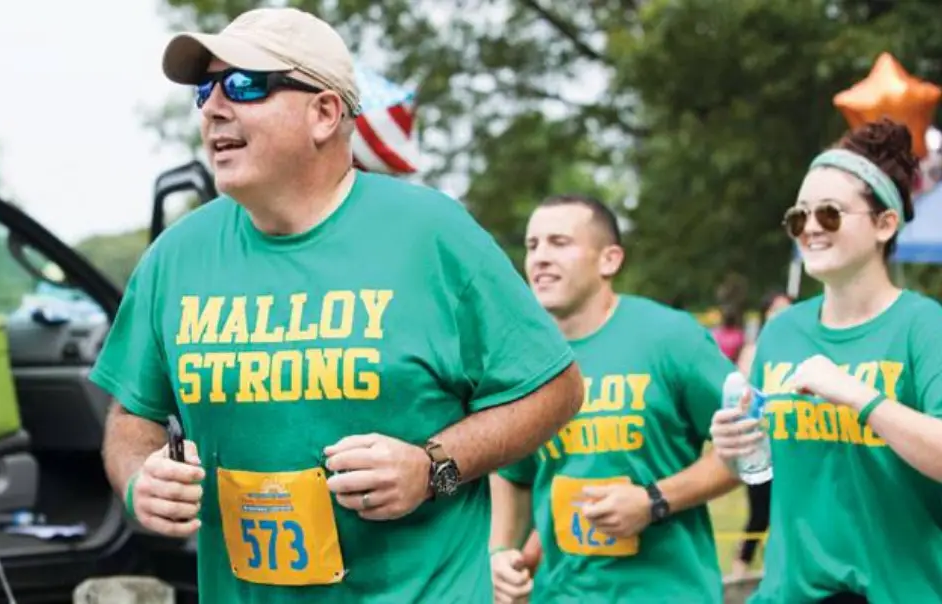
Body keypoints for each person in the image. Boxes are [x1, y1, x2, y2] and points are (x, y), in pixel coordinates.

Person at [90, 8, 584, 604]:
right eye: (205, 88)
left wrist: (432, 468)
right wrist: (141, 478)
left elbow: (555, 390)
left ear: (324, 113)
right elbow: (129, 417)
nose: (213, 106)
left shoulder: (432, 235)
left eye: (245, 84)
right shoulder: (177, 256)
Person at [711, 118, 942, 603]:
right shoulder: (781, 333)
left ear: (884, 224)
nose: (810, 227)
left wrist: (857, 394)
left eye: (831, 214)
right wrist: (735, 446)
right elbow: (768, 465)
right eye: (799, 217)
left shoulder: (923, 326)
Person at [488, 194, 741, 604]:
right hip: (560, 594)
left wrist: (653, 500)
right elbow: (513, 476)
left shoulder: (671, 338)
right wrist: (500, 551)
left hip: (668, 593)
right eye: (533, 245)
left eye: (560, 242)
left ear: (609, 260)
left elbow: (750, 448)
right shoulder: (521, 361)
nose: (541, 258)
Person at [729, 291, 791, 578]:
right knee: (759, 514)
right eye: (775, 310)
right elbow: (743, 394)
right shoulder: (754, 350)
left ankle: (773, 572)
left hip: (791, 445)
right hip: (759, 444)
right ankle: (738, 573)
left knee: (785, 514)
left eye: (787, 309)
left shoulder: (801, 350)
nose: (781, 315)